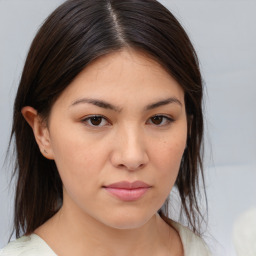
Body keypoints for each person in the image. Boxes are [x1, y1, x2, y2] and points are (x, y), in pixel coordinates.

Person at [0, 0, 210, 255]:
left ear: (189, 125)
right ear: (42, 132)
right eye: (96, 120)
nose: (132, 157)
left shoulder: (196, 249)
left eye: (158, 119)